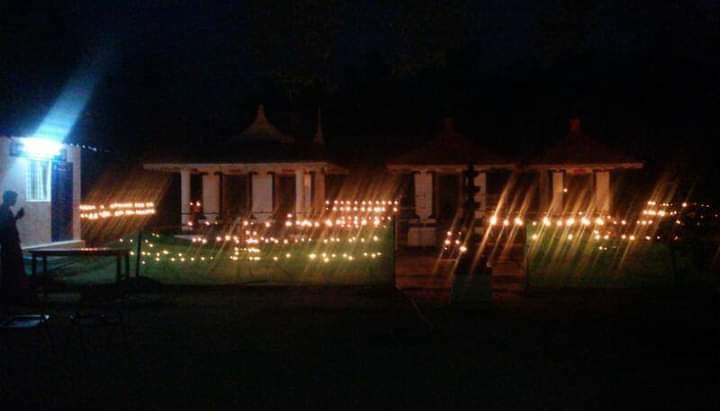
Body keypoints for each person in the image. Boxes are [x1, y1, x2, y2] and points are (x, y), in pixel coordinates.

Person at [0, 190, 27, 302]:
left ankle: (14, 294)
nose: (15, 201)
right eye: (14, 199)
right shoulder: (3, 211)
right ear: (9, 199)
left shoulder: (5, 210)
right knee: (13, 268)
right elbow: (5, 227)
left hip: (10, 244)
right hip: (9, 245)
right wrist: (17, 217)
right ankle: (14, 295)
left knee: (12, 269)